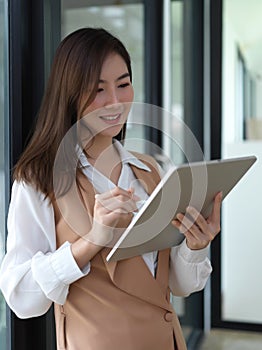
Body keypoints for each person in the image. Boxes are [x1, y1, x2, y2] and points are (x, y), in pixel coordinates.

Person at [0, 28, 222, 350]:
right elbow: (21, 298)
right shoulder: (39, 180)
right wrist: (90, 242)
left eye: (123, 84)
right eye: (98, 90)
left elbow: (177, 285)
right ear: (70, 94)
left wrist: (195, 245)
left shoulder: (152, 171)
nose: (115, 102)